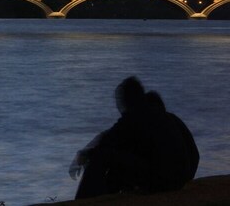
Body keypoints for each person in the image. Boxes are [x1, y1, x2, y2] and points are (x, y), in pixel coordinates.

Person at [69, 76, 199, 199]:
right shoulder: (169, 118)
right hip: (180, 179)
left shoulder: (134, 117)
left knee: (103, 156)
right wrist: (186, 179)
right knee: (119, 159)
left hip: (161, 182)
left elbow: (107, 142)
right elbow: (194, 154)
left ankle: (82, 201)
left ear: (127, 101)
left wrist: (85, 155)